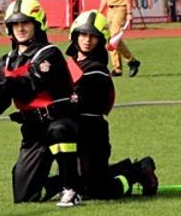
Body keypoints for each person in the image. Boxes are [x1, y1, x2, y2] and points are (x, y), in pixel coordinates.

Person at [0, 0, 83, 204]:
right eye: (15, 24)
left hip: (59, 121)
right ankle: (71, 182)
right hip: (33, 130)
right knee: (23, 196)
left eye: (25, 23)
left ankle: (72, 188)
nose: (20, 28)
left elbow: (29, 85)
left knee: (59, 131)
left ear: (37, 25)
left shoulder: (49, 54)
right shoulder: (6, 60)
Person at [63, 11, 159, 202]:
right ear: (74, 35)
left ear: (101, 40)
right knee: (82, 183)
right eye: (83, 34)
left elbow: (72, 100)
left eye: (93, 36)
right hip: (74, 131)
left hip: (93, 135)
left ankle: (137, 171)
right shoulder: (71, 64)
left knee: (98, 191)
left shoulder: (96, 69)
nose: (87, 40)